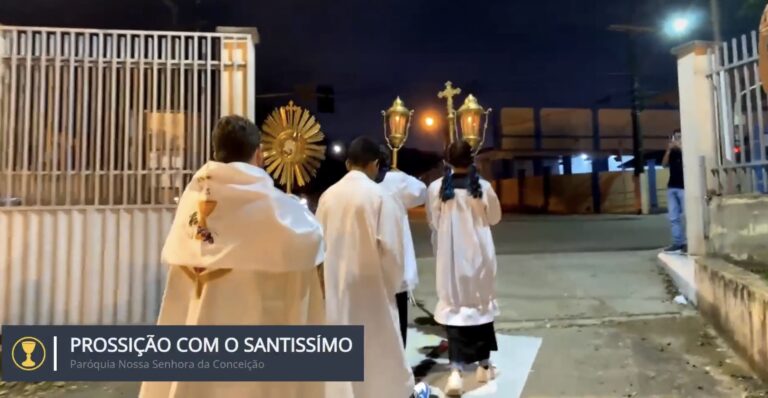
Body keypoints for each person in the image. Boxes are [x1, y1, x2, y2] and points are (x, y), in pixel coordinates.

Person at [140, 116, 326, 398]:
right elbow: (311, 238)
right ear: (259, 154)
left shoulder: (194, 196)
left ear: (216, 152)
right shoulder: (271, 205)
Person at [316, 136, 415, 398]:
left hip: (337, 286)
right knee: (379, 357)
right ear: (374, 164)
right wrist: (392, 286)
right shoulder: (380, 196)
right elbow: (393, 251)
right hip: (372, 290)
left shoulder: (327, 196)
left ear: (348, 164)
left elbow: (318, 246)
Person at [426, 140, 502, 396]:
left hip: (451, 259)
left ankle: (456, 373)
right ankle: (483, 366)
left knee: (455, 310)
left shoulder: (437, 188)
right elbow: (495, 218)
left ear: (446, 160)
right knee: (481, 307)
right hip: (480, 256)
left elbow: (434, 222)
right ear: (472, 159)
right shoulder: (483, 187)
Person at [376, 145, 427, 348]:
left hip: (366, 265)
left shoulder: (354, 185)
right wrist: (399, 173)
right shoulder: (396, 181)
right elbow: (421, 192)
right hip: (395, 261)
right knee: (397, 316)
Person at [662, 128, 687, 254]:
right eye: (675, 137)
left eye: (679, 137)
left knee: (688, 216)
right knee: (673, 217)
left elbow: (688, 161)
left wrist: (681, 147)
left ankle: (688, 243)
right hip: (672, 186)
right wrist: (669, 149)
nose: (677, 139)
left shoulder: (688, 150)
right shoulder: (672, 152)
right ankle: (678, 242)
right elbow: (664, 164)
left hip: (685, 187)